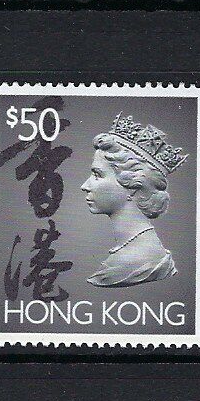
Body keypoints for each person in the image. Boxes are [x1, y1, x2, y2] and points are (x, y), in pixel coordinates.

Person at [81, 113, 186, 287]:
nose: (85, 185)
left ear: (133, 184)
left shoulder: (139, 260)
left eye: (97, 175)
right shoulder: (138, 249)